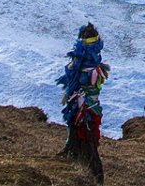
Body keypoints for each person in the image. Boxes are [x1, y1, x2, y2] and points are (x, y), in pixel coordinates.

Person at [56, 22, 110, 183]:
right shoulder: (93, 65)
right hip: (84, 103)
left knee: (86, 136)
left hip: (84, 105)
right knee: (80, 132)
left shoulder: (85, 64)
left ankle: (94, 176)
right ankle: (80, 163)